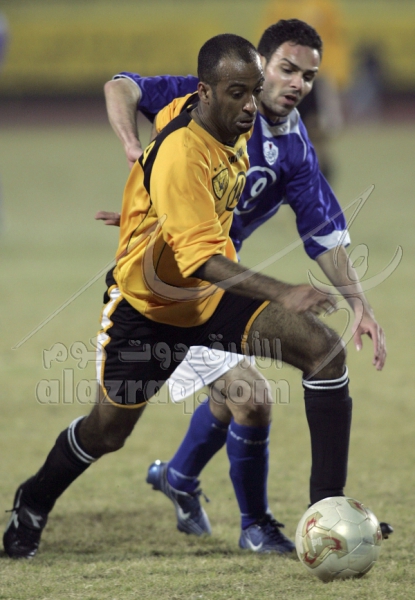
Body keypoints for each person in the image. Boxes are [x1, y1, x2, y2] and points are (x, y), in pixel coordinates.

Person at [4, 31, 357, 560]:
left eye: (253, 91)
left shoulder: (233, 124)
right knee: (107, 432)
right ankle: (33, 499)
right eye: (236, 93)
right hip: (148, 309)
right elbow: (199, 259)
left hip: (211, 299)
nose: (249, 106)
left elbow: (193, 216)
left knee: (323, 351)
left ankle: (328, 512)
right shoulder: (183, 149)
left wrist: (148, 212)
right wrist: (284, 291)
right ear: (205, 92)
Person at [99, 18, 391, 550]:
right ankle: (257, 525)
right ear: (259, 66)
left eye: (308, 76)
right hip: (169, 282)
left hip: (221, 280)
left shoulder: (295, 146)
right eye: (286, 69)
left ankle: (182, 476)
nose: (297, 84)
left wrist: (360, 305)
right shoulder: (208, 98)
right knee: (250, 397)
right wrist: (132, 150)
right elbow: (120, 86)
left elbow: (324, 235)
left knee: (243, 394)